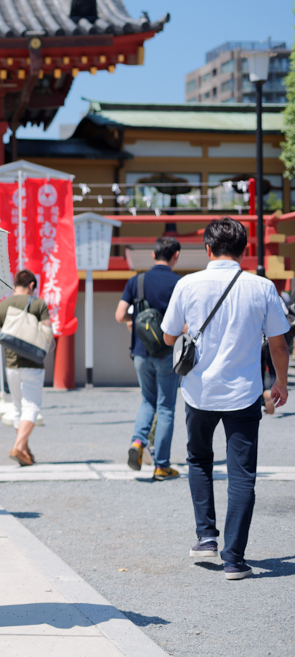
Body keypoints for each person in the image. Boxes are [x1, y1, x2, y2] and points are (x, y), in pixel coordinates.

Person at [161, 218, 289, 581]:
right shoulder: (263, 288)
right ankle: (234, 559)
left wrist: (192, 328)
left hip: (199, 393)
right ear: (245, 250)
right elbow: (279, 344)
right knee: (242, 475)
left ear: (206, 249)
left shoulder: (188, 284)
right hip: (245, 394)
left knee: (199, 460)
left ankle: (206, 537)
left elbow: (169, 338)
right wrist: (280, 381)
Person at [115, 237, 182, 478]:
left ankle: (137, 442)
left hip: (141, 353)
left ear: (153, 256)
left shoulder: (137, 281)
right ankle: (162, 465)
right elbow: (186, 324)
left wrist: (137, 324)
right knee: (165, 407)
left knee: (147, 401)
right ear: (176, 256)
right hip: (167, 353)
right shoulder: (179, 283)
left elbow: (120, 315)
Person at [0, 270, 51, 466]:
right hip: (33, 364)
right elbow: (48, 333)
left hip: (11, 365)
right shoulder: (38, 304)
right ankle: (18, 446)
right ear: (31, 285)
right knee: (31, 406)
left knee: (17, 408)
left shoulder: (2, 306)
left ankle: (24, 450)